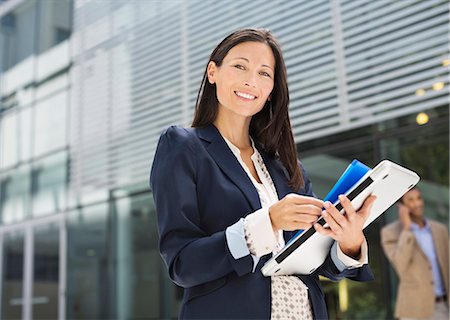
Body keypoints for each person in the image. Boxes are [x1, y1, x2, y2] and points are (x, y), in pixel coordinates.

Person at [150, 28, 377, 319]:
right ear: (212, 72)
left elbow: (320, 263)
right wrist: (266, 222)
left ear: (271, 90)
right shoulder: (183, 146)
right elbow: (182, 263)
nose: (250, 80)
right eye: (240, 66)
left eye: (264, 73)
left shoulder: (285, 167)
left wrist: (349, 241)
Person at [381, 186, 449, 319]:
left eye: (419, 198)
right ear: (401, 206)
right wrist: (407, 229)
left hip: (442, 307)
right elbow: (400, 264)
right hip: (413, 309)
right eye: (410, 200)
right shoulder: (390, 232)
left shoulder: (440, 230)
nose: (417, 204)